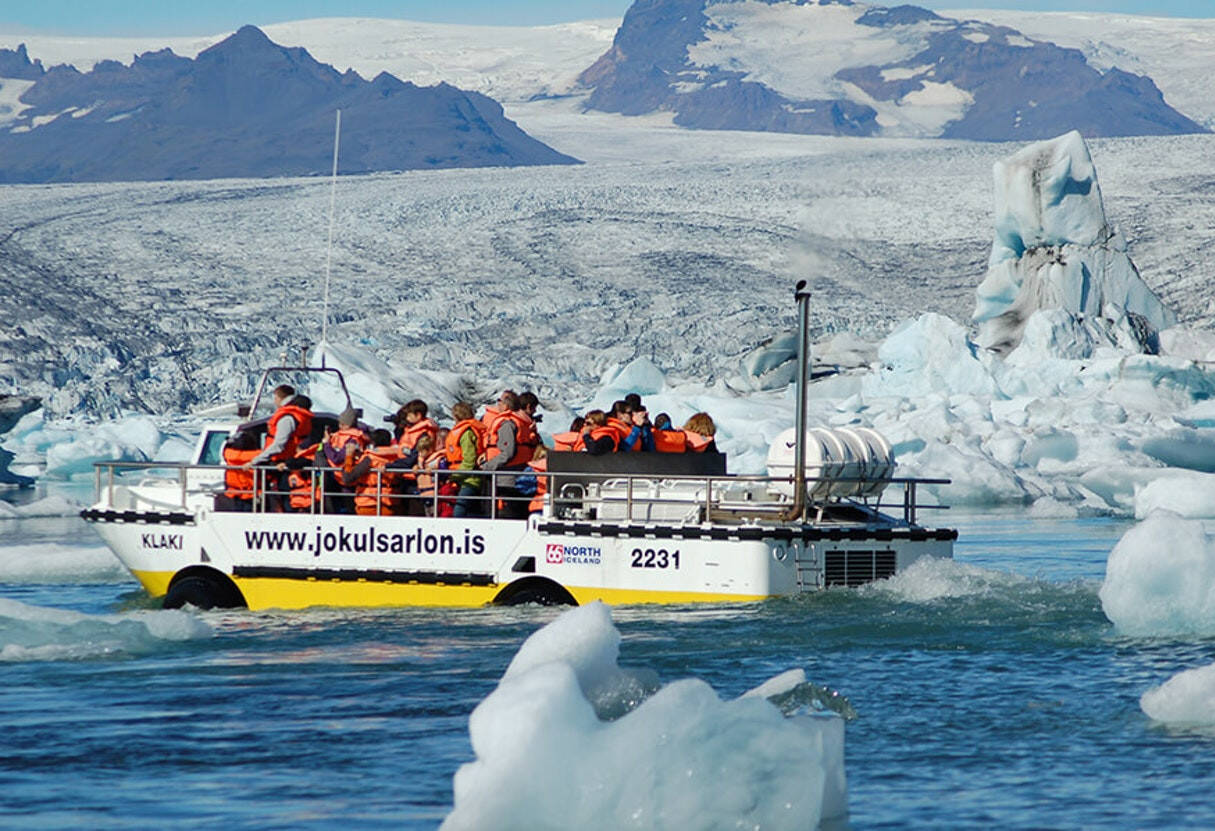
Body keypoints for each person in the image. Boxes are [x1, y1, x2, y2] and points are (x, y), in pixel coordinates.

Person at [243, 385, 313, 511]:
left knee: (285, 497)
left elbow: (279, 445)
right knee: (284, 496)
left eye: (275, 397)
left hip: (284, 465)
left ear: (281, 398)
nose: (274, 401)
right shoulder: (297, 415)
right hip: (290, 462)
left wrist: (255, 460)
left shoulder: (287, 418)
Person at [484, 390, 540, 519]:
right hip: (519, 475)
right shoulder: (522, 423)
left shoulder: (508, 423)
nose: (497, 404)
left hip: (506, 477)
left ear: (506, 405)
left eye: (500, 401)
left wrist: (487, 466)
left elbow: (508, 452)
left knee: (507, 513)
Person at [340, 429, 406, 516]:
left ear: (373, 443)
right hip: (392, 504)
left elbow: (348, 478)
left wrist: (349, 456)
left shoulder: (370, 458)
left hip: (368, 504)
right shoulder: (397, 457)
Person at [446, 402, 487, 518]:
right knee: (472, 510)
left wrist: (454, 476)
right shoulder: (462, 431)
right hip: (461, 477)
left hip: (470, 478)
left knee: (460, 509)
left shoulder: (466, 433)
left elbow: (469, 460)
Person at [217, 430, 260, 511]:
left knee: (238, 512)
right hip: (251, 492)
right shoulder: (257, 456)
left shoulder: (228, 455)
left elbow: (225, 448)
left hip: (235, 491)